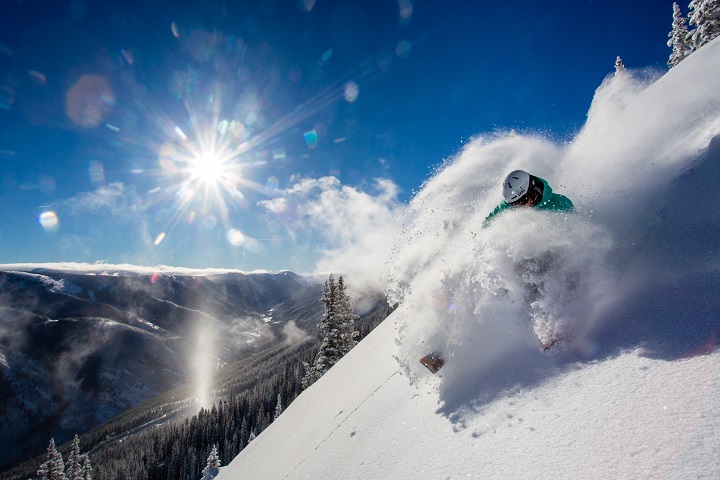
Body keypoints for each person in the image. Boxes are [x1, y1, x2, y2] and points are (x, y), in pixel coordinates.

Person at [483, 170, 573, 226]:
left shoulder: (560, 204)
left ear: (532, 190)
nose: (520, 207)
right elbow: (489, 222)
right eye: (514, 204)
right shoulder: (509, 205)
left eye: (522, 201)